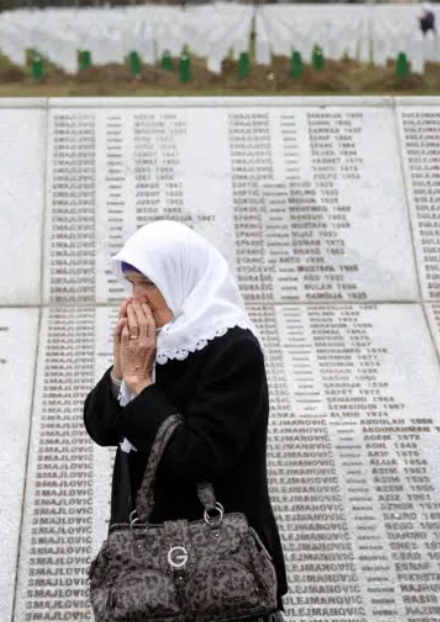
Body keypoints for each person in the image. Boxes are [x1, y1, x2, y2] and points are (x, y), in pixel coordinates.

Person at [82, 220, 288, 618]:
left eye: (149, 284)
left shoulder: (233, 348)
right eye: (132, 286)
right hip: (149, 576)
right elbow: (101, 428)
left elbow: (202, 457)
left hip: (223, 573)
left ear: (181, 279)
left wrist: (142, 383)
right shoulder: (160, 342)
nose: (137, 300)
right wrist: (121, 371)